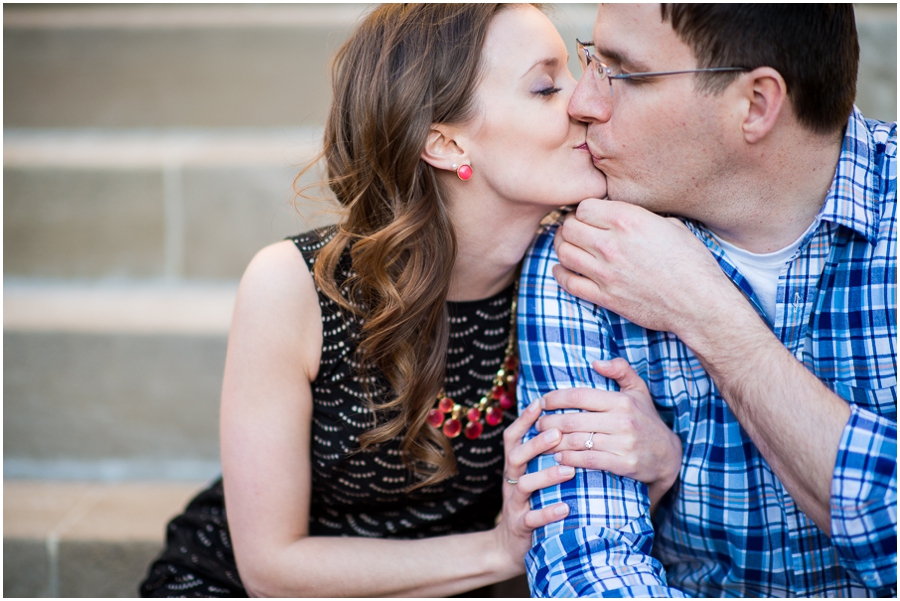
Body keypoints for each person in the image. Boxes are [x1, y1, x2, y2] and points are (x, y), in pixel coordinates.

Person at [139, 4, 683, 597]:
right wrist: (494, 552)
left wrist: (662, 464)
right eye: (546, 87)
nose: (584, 102)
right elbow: (271, 569)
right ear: (445, 144)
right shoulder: (296, 288)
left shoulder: (578, 277)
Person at [519, 3, 897, 597]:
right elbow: (589, 570)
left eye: (623, 71)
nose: (582, 103)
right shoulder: (590, 249)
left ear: (755, 105)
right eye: (591, 56)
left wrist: (707, 314)